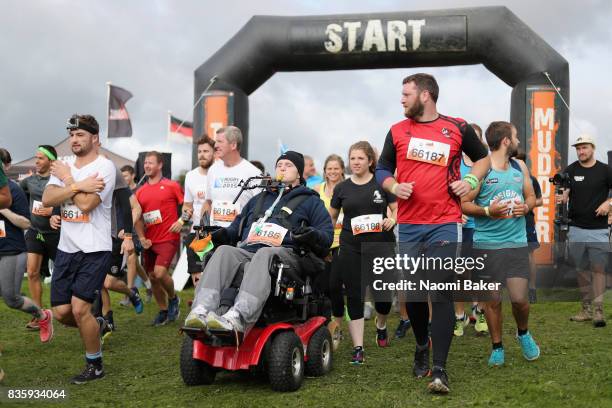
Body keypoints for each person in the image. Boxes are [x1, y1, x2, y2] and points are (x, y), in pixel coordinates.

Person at [375, 73, 490, 394]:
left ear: (425, 95)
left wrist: (471, 182)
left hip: (445, 222)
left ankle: (440, 369)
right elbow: (382, 168)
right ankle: (421, 343)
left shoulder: (456, 127)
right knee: (413, 294)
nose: (401, 99)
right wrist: (394, 186)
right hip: (409, 225)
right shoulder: (397, 130)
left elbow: (482, 159)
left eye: (406, 94)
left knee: (439, 292)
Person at [184, 151, 333, 339]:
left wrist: (311, 235)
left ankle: (238, 316)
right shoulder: (258, 199)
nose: (282, 168)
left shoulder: (311, 201)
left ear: (299, 174)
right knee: (224, 251)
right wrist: (218, 234)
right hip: (249, 250)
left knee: (265, 254)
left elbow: (326, 236)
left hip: (286, 254)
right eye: (279, 165)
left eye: (288, 165)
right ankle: (201, 310)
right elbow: (234, 230)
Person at [42, 114, 115, 383]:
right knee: (62, 313)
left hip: (95, 249)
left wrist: (68, 180)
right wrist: (78, 185)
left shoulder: (105, 167)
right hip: (66, 248)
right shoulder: (64, 165)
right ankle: (97, 326)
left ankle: (94, 365)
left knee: (79, 308)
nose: (74, 139)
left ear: (95, 138)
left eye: (80, 134)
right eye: (72, 134)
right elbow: (49, 199)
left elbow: (87, 205)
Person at [461, 121, 540, 367]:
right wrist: (487, 210)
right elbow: (463, 203)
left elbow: (530, 196)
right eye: (515, 136)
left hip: (516, 244)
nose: (518, 140)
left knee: (519, 300)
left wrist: (525, 207)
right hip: (486, 246)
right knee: (492, 300)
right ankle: (497, 347)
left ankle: (523, 332)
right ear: (506, 140)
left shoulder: (520, 166)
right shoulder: (482, 169)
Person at [328, 142, 397, 364]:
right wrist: (329, 240)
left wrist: (392, 219)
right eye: (352, 158)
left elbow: (398, 209)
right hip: (351, 247)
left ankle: (381, 324)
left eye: (360, 158)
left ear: (370, 161)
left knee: (384, 299)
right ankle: (358, 347)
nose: (355, 162)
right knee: (355, 296)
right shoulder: (342, 188)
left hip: (381, 247)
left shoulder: (381, 184)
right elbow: (331, 215)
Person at [0, 148, 54, 345]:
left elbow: (25, 222)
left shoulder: (12, 190)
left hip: (11, 250)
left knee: (12, 298)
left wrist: (4, 210)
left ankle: (42, 316)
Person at [558, 134, 612, 327]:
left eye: (584, 147)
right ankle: (586, 309)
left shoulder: (606, 170)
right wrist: (563, 197)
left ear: (593, 148)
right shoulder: (571, 170)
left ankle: (599, 310)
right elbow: (565, 190)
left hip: (598, 229)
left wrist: (609, 203)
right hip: (576, 228)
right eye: (578, 148)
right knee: (581, 269)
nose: (581, 151)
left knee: (598, 268)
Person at [134, 151, 183, 326]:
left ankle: (173, 298)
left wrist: (181, 220)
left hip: (168, 237)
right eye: (145, 163)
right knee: (153, 277)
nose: (147, 166)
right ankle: (163, 310)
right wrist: (141, 237)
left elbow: (187, 206)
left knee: (161, 273)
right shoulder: (140, 192)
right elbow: (138, 218)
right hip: (149, 240)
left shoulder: (172, 186)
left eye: (151, 163)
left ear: (160, 165)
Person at [19, 145, 62, 330]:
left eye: (41, 158)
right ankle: (39, 315)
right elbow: (13, 194)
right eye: (36, 158)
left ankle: (68, 310)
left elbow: (70, 200)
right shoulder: (29, 181)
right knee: (33, 272)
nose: (37, 161)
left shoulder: (59, 180)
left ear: (51, 161)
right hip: (35, 231)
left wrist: (54, 210)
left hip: (56, 233)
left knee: (63, 272)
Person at [454, 124, 488, 336]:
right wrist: (457, 211)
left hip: (483, 227)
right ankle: (460, 316)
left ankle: (480, 311)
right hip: (459, 227)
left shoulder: (486, 164)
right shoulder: (454, 163)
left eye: (474, 138)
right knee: (459, 273)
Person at [205, 126, 262, 228]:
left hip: (238, 237)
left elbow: (260, 207)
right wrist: (202, 229)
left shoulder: (254, 172)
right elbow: (208, 203)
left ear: (233, 145)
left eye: (220, 142)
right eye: (215, 141)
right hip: (215, 234)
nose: (215, 145)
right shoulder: (213, 170)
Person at [315, 154, 345, 345]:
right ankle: (324, 325)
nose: (332, 172)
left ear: (342, 169)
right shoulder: (317, 190)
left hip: (343, 243)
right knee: (322, 287)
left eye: (336, 168)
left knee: (335, 286)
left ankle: (338, 325)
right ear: (324, 171)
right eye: (329, 168)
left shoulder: (348, 188)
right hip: (323, 243)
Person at [184, 136, 215, 286]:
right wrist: (183, 218)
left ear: (214, 153)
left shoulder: (219, 173)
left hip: (217, 230)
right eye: (199, 151)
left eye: (206, 151)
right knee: (197, 273)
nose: (202, 154)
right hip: (196, 231)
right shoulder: (190, 176)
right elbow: (187, 205)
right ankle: (198, 304)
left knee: (214, 271)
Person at [119, 165, 152, 304]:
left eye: (126, 175)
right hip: (122, 230)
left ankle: (129, 292)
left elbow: (144, 212)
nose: (123, 178)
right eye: (122, 176)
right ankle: (149, 285)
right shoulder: (119, 190)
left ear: (132, 176)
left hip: (137, 230)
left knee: (131, 258)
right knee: (134, 263)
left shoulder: (139, 191)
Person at [514, 147, 543, 303]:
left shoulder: (531, 179)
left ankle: (532, 289)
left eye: (520, 161)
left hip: (527, 220)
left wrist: (527, 204)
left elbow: (540, 200)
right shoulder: (503, 175)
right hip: (508, 220)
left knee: (529, 254)